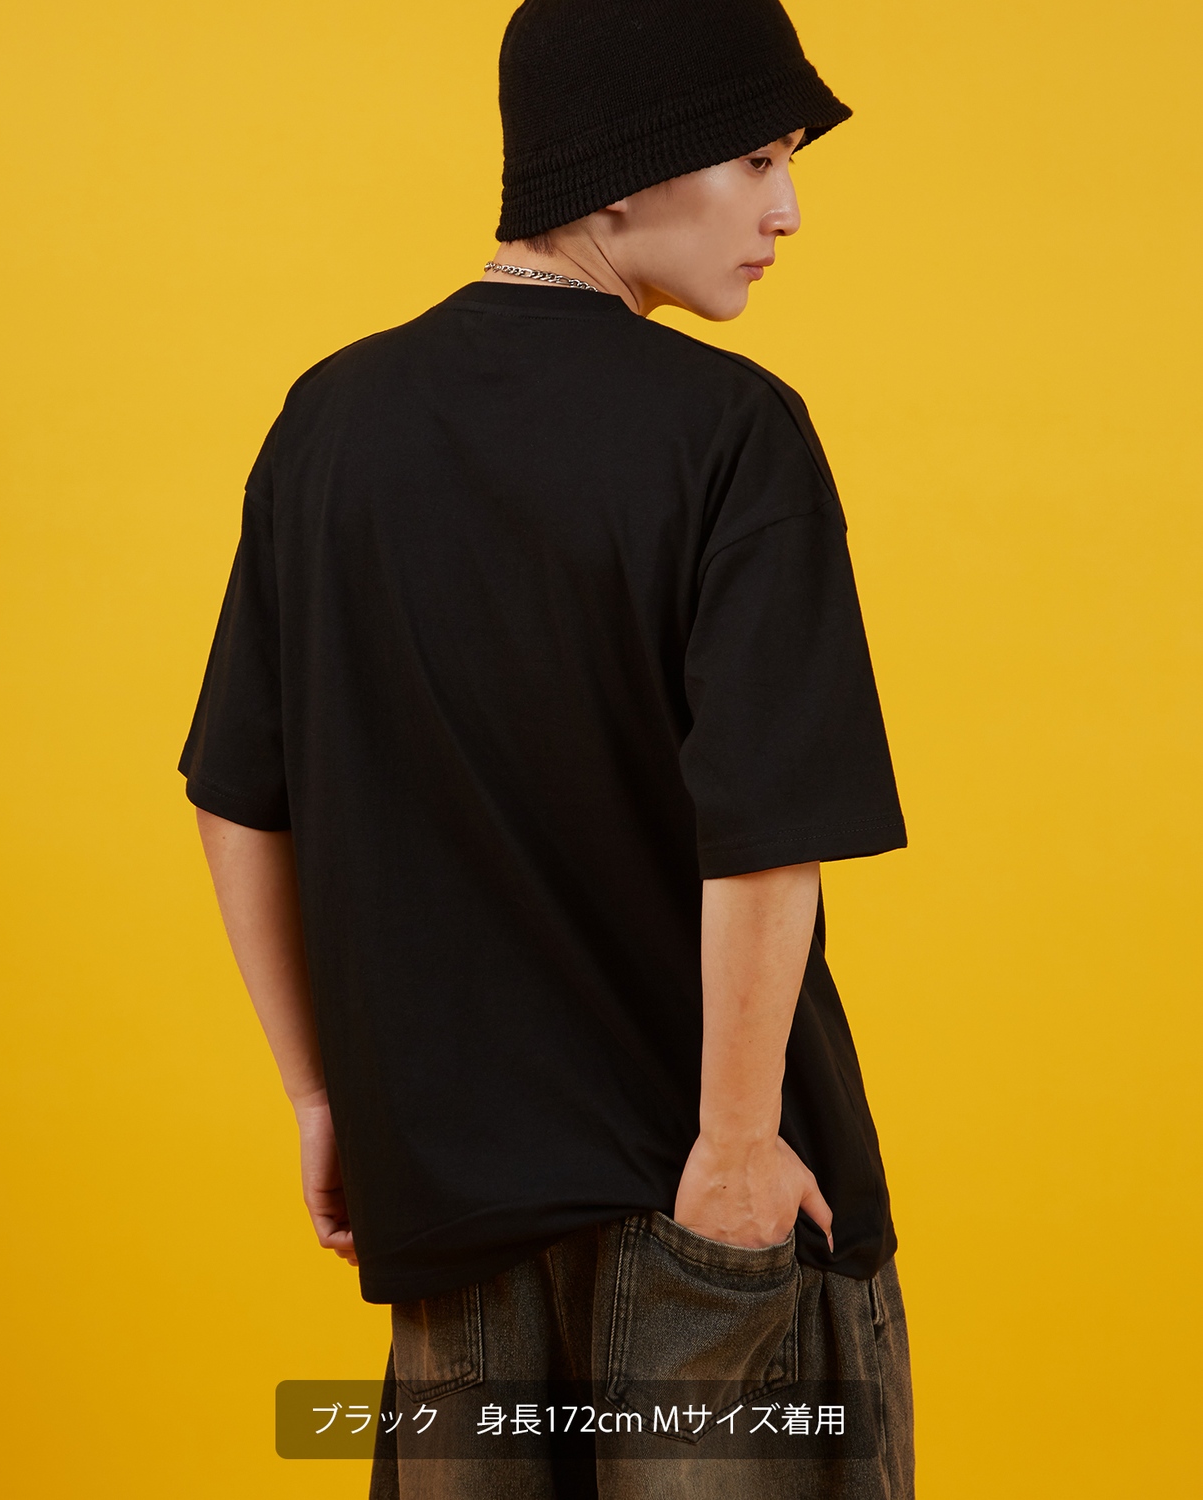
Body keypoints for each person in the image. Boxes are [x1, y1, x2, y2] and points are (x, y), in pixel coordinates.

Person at [180, 0, 914, 1494]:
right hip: (703, 1199)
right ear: (619, 171)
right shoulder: (729, 431)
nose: (787, 211)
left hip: (448, 1199)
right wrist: (733, 1145)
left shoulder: (330, 421)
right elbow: (768, 828)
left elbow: (241, 797)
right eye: (756, 159)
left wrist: (322, 1097)